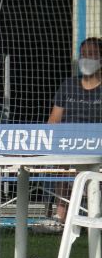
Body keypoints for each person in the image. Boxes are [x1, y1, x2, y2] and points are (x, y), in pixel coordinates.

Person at [47, 37, 102, 223]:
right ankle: (60, 214)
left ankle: (94, 213)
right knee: (63, 167)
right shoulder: (68, 86)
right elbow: (54, 120)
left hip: (97, 148)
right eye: (83, 54)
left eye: (92, 54)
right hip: (68, 147)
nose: (87, 58)